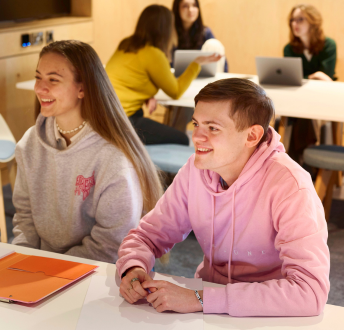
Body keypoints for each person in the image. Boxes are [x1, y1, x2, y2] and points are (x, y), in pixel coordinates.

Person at [116, 78, 330, 317]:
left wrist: (201, 299)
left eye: (213, 128)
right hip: (207, 306)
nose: (196, 136)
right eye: (196, 123)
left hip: (269, 315)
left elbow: (309, 292)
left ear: (252, 136)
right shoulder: (196, 170)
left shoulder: (290, 185)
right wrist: (133, 267)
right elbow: (148, 236)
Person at [11, 40, 163, 263]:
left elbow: (112, 243)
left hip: (100, 273)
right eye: (38, 77)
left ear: (82, 88)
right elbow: (24, 217)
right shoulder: (29, 144)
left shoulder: (113, 157)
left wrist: (51, 269)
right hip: (42, 269)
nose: (39, 88)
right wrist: (23, 261)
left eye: (53, 79)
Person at [106, 4, 220, 146]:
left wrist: (148, 94)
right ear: (165, 29)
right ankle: (163, 167)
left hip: (106, 115)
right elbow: (175, 92)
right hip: (122, 121)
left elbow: (131, 78)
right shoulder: (153, 54)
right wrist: (196, 63)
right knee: (182, 138)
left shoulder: (126, 44)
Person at [283, 4, 337, 164]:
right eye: (292, 20)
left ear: (313, 22)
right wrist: (313, 76)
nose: (295, 24)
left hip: (322, 97)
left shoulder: (329, 45)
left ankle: (300, 159)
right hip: (297, 98)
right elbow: (291, 78)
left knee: (304, 110)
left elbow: (326, 76)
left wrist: (305, 78)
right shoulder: (289, 48)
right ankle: (304, 160)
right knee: (298, 108)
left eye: (300, 19)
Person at [172, 0, 228, 72]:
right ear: (177, 9)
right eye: (185, 6)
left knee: (214, 44)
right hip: (176, 77)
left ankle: (219, 83)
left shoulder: (205, 32)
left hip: (203, 76)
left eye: (194, 5)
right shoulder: (169, 33)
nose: (190, 10)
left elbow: (221, 60)